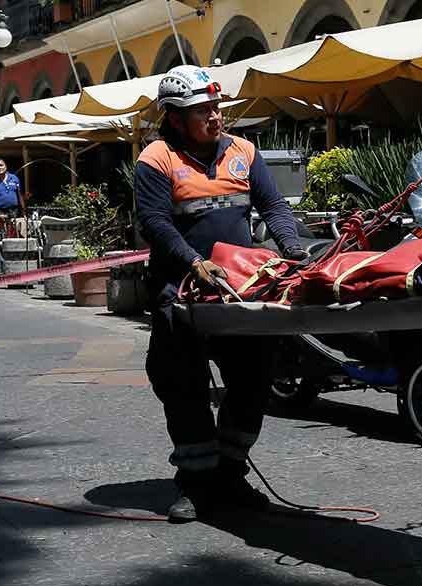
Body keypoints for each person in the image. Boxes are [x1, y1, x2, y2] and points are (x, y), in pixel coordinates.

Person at [134, 65, 307, 523]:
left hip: (239, 288)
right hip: (180, 290)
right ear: (174, 118)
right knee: (182, 385)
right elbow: (155, 222)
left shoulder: (245, 151)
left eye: (216, 107)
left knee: (254, 378)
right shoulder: (156, 158)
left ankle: (230, 473)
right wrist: (194, 261)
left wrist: (292, 247)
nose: (215, 117)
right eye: (202, 111)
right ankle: (195, 483)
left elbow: (273, 205)